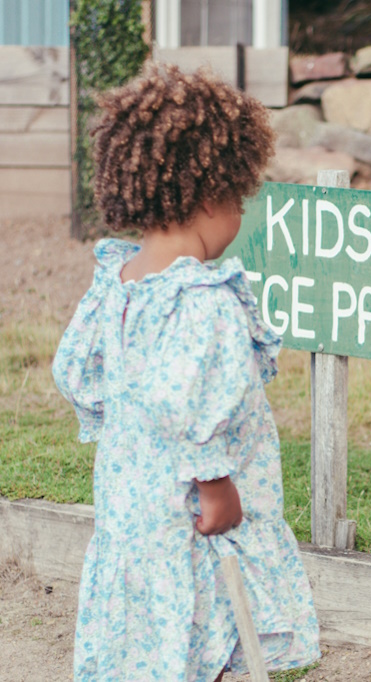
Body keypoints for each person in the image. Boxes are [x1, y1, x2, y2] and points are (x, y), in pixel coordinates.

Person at [52, 63, 320, 681]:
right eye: (239, 200)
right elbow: (195, 402)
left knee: (149, 642)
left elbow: (79, 375)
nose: (240, 218)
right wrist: (217, 483)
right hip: (190, 514)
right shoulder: (201, 299)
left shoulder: (118, 285)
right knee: (208, 632)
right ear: (209, 197)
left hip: (131, 512)